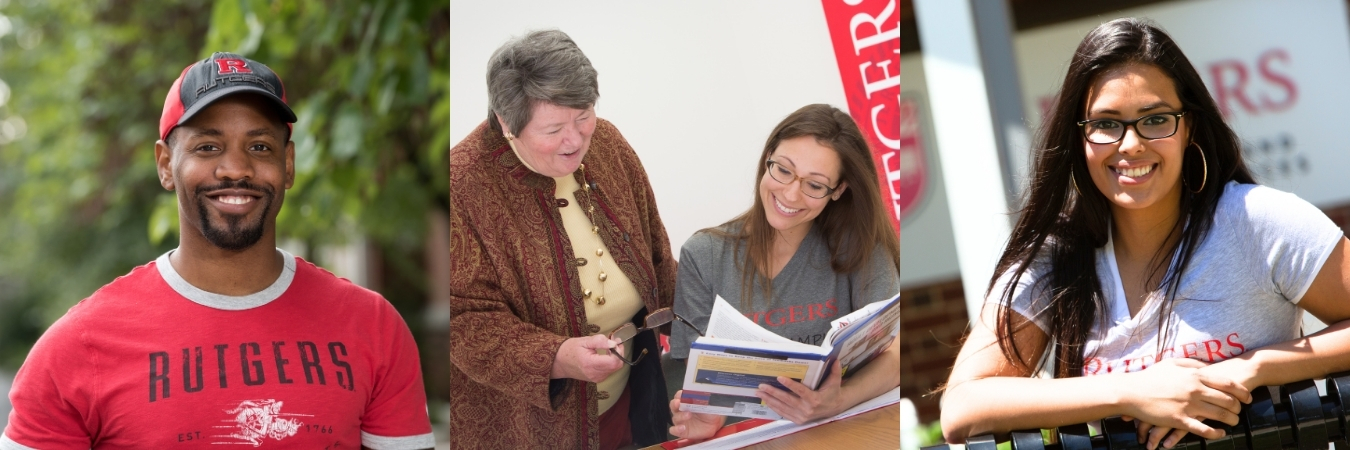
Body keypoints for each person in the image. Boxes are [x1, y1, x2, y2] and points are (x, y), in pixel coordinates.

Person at [941, 18, 1350, 450]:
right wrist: (1133, 392)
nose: (1131, 145)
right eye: (1107, 123)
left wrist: (1251, 368)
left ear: (1188, 126)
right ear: (1079, 138)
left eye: (1155, 119)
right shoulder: (1056, 259)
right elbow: (963, 406)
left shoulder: (1258, 220)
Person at [0, 53, 434, 449]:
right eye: (208, 147)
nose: (236, 169)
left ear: (288, 165)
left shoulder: (373, 327)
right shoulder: (79, 348)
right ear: (166, 165)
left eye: (259, 147)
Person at [448, 29, 675, 450]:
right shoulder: (460, 185)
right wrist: (555, 357)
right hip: (529, 430)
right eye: (553, 129)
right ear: (506, 123)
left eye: (583, 114)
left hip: (631, 404)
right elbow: (463, 323)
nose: (576, 140)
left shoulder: (607, 142)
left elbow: (656, 250)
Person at [665, 104, 901, 441]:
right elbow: (696, 383)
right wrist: (703, 420)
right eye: (783, 170)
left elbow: (896, 352)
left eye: (815, 185)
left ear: (839, 190)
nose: (790, 194)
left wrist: (837, 401)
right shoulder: (704, 255)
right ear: (767, 159)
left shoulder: (860, 248)